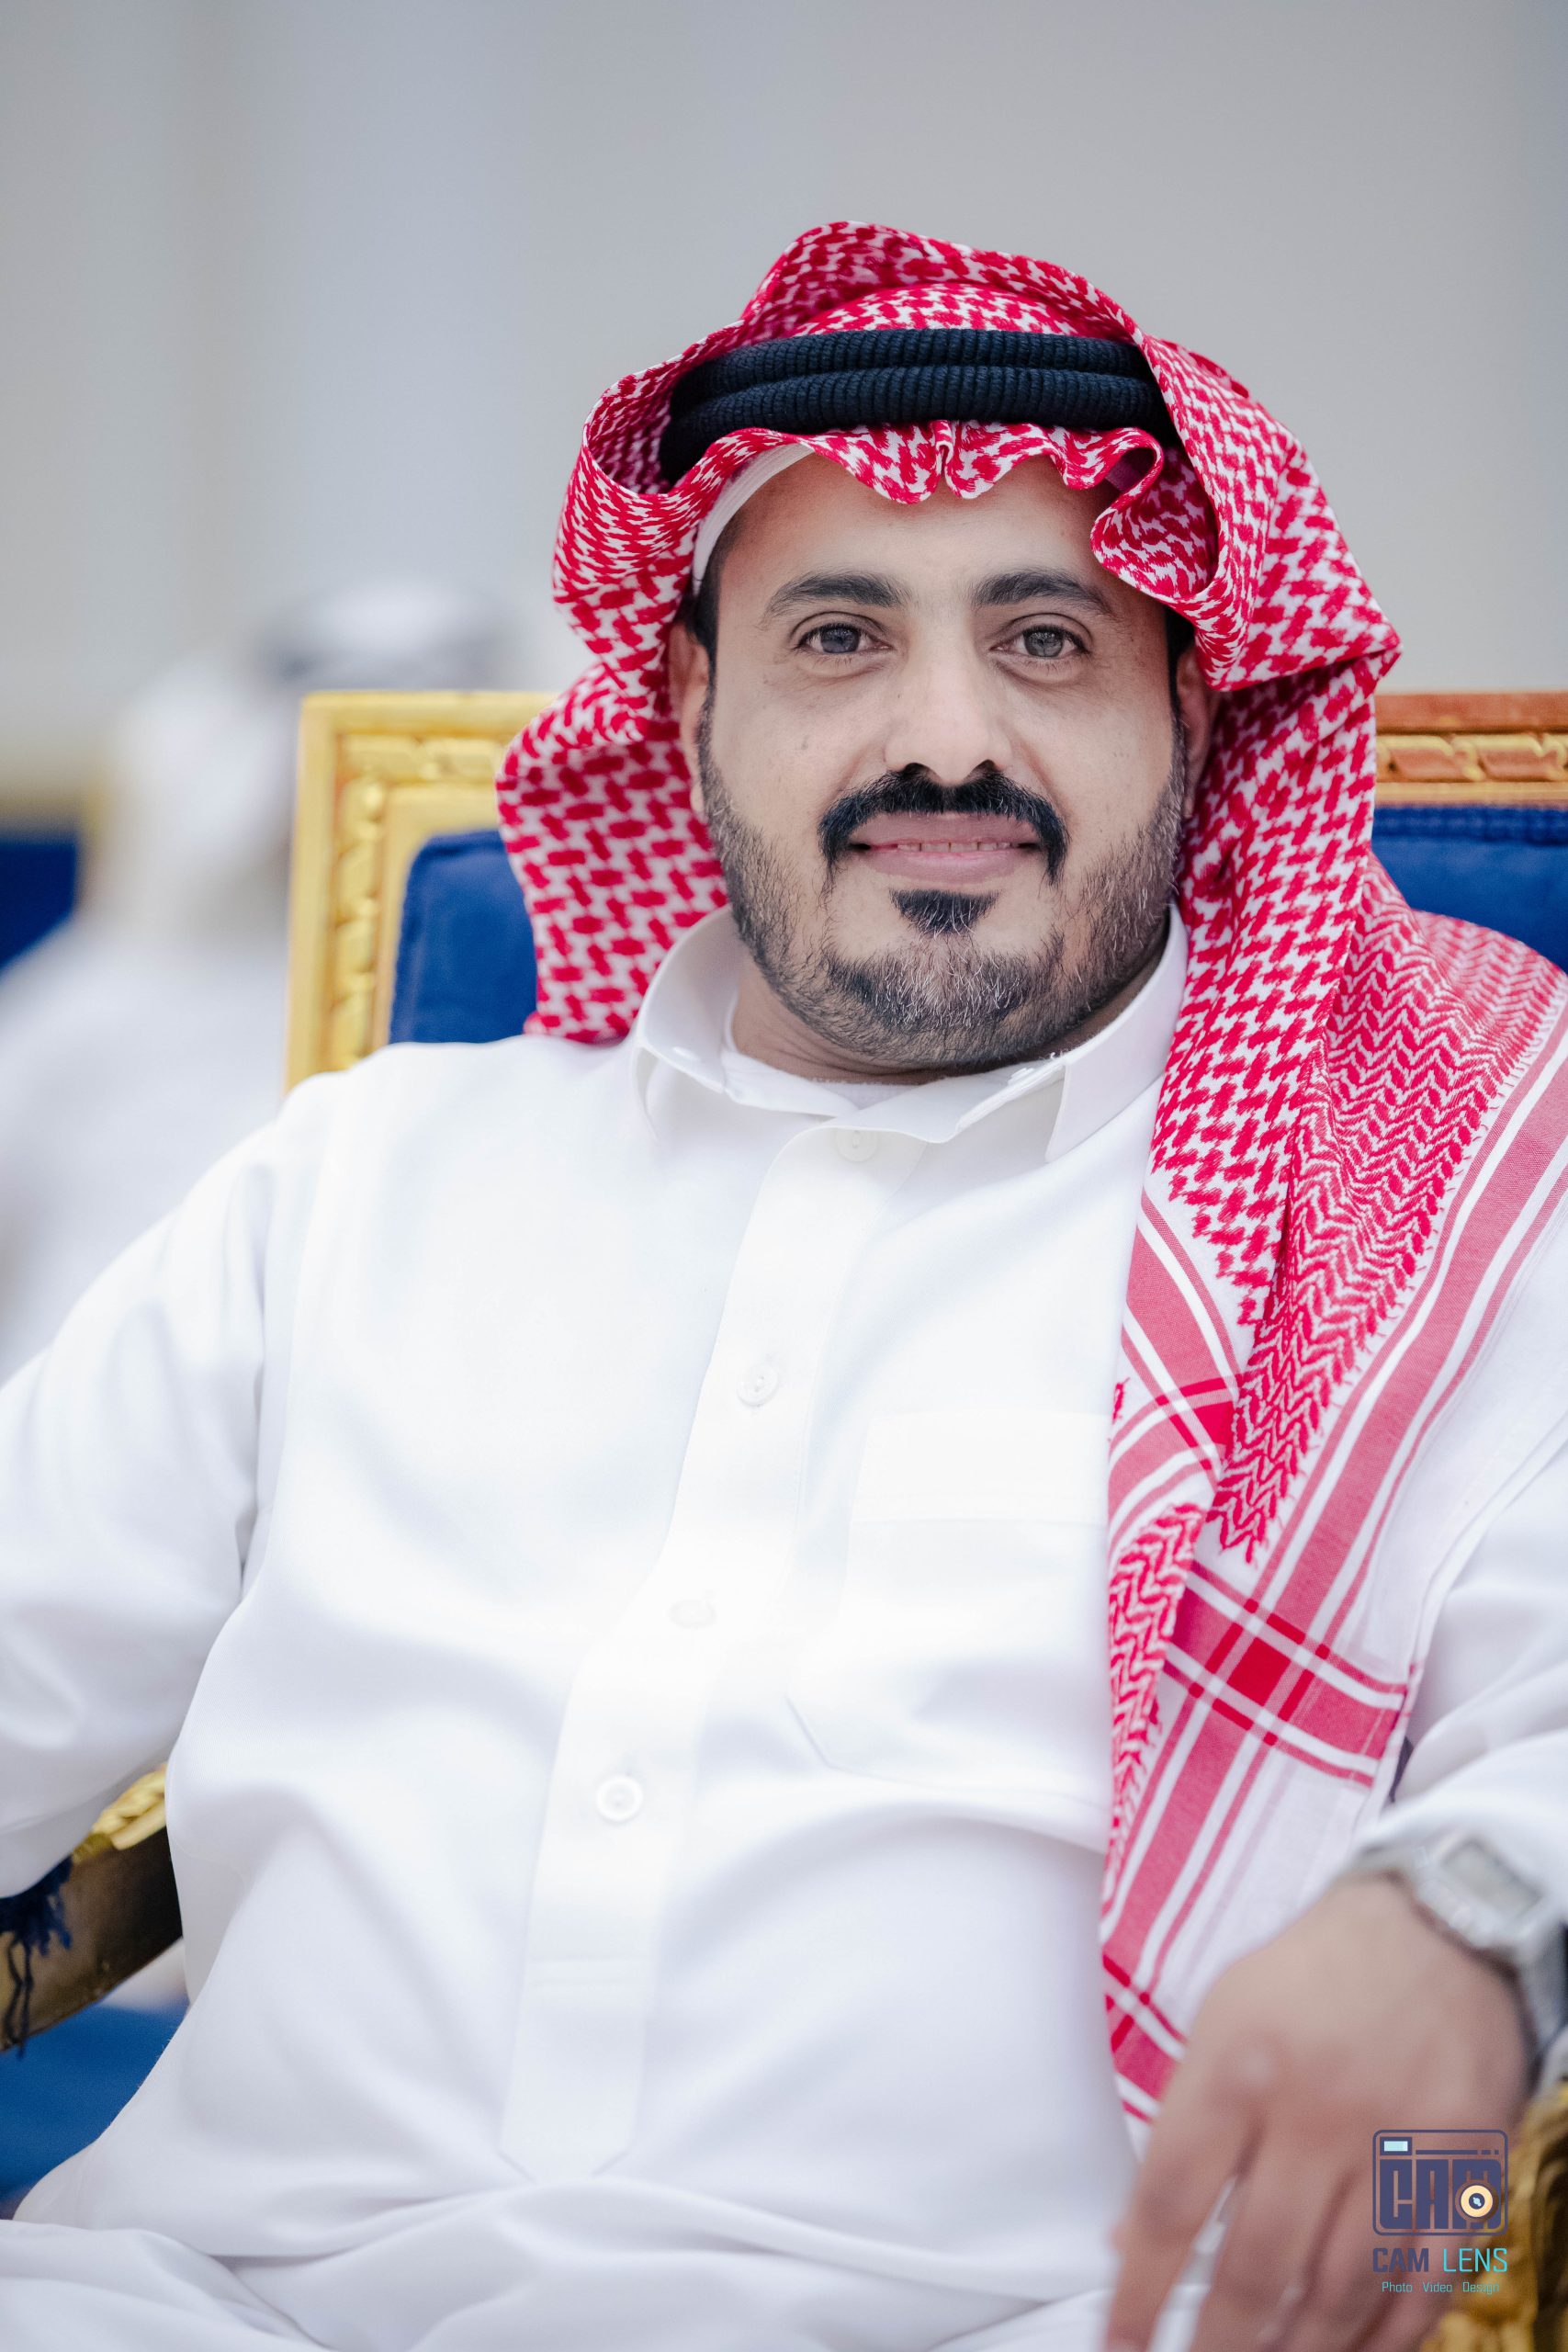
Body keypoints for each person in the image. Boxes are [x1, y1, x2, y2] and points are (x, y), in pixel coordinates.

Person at [1, 220, 1565, 2352]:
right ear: (685, 703)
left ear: (1190, 709)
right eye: (838, 636)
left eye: (1044, 640)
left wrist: (1460, 1944)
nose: (945, 741)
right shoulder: (356, 1184)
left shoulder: (1416, 1211)